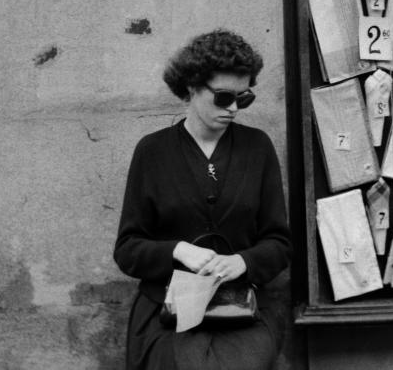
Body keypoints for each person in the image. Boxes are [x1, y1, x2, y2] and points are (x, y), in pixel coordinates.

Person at [113, 29, 292, 370]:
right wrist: (179, 251)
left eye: (245, 98)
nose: (235, 108)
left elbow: (279, 243)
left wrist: (243, 262)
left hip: (241, 310)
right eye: (224, 98)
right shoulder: (153, 152)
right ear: (191, 88)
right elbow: (127, 249)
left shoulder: (257, 147)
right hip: (167, 314)